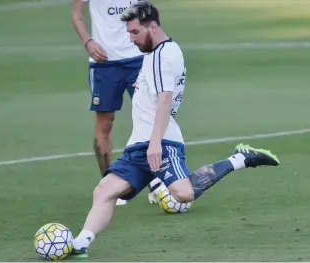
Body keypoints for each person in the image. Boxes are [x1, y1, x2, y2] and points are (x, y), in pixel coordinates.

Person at [70, 1, 280, 258]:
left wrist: (156, 142)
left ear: (153, 27)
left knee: (183, 193)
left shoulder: (163, 55)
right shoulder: (155, 54)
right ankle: (81, 243)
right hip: (138, 145)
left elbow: (165, 99)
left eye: (135, 32)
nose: (131, 39)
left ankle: (239, 159)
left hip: (163, 143)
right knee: (104, 191)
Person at [71, 0, 164, 206]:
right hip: (104, 63)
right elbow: (77, 15)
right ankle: (109, 183)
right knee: (104, 123)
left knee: (151, 116)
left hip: (138, 59)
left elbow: (149, 15)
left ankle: (157, 180)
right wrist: (88, 42)